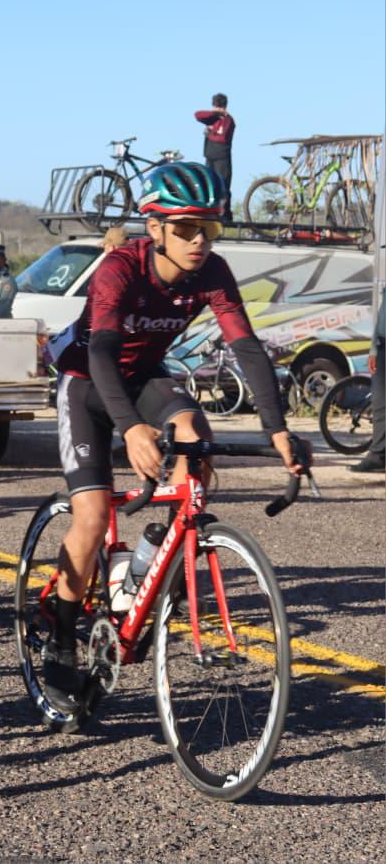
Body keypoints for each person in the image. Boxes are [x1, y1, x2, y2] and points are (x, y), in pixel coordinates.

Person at [43, 161, 309, 716]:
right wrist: (131, 429)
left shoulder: (211, 271)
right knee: (91, 517)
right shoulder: (121, 268)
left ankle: (155, 559)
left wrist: (278, 429)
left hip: (144, 382)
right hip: (88, 385)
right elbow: (99, 353)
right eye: (186, 228)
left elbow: (247, 347)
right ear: (156, 227)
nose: (199, 241)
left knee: (194, 434)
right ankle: (60, 636)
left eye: (208, 228)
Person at [349, 287, 385, 473]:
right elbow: (382, 315)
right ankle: (377, 456)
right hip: (382, 348)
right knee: (380, 406)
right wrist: (373, 349)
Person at [194, 94, 235, 222]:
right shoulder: (212, 118)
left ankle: (225, 215)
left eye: (219, 106)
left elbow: (222, 138)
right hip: (210, 156)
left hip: (222, 157)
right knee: (209, 185)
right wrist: (214, 114)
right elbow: (198, 115)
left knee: (223, 186)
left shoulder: (228, 120)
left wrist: (210, 132)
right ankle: (210, 212)